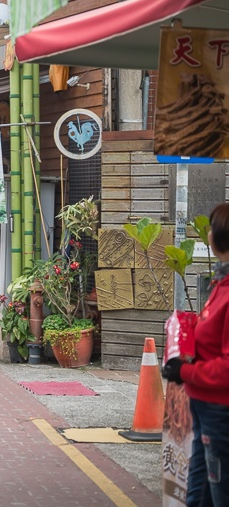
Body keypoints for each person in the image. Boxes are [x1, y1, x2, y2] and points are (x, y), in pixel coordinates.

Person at [162, 202, 229, 507]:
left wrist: (185, 372)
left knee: (219, 492)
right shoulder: (221, 283)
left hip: (220, 412)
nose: (208, 233)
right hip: (204, 407)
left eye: (211, 228)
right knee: (200, 490)